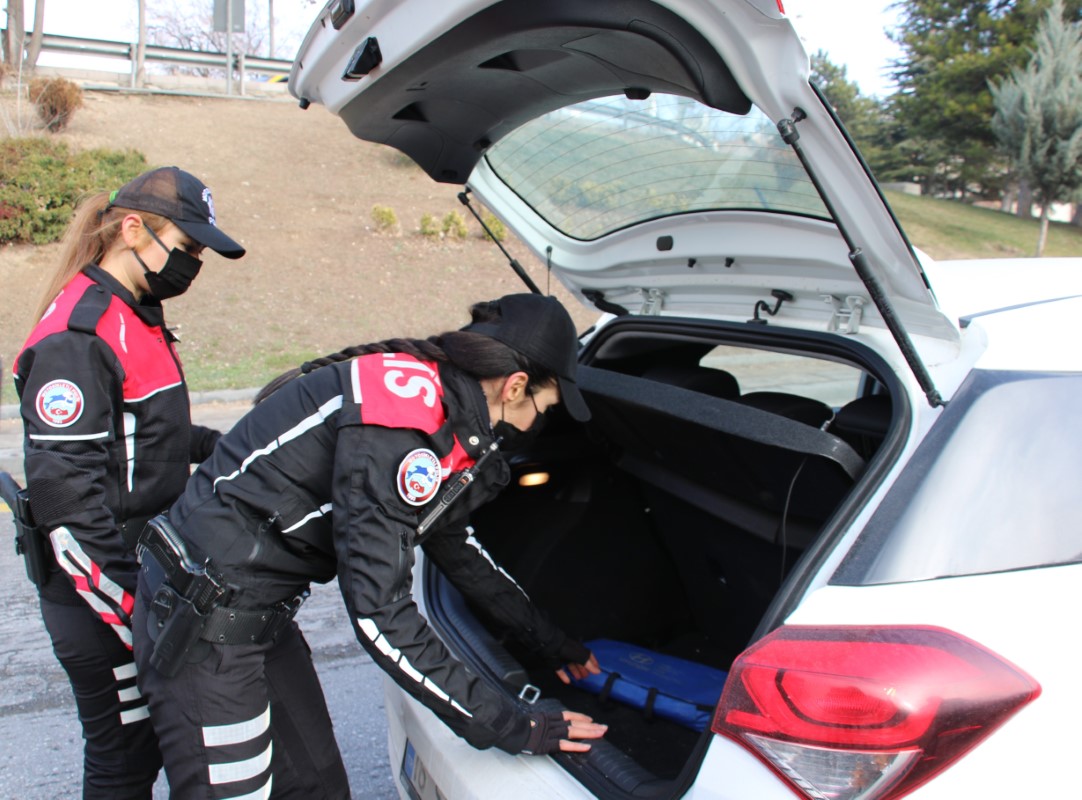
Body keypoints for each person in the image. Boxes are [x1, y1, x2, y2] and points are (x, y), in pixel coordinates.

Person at [132, 293, 607, 799]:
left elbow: (458, 551)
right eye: (544, 408)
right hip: (203, 626)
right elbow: (381, 614)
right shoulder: (402, 424)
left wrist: (555, 645)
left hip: (258, 618)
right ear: (515, 387)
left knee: (318, 786)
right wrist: (516, 725)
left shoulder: (443, 410)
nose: (537, 425)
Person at [11, 166, 246, 798]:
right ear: (133, 228)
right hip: (102, 597)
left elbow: (152, 437)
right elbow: (67, 504)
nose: (192, 263)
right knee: (122, 767)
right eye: (188, 246)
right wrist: (141, 616)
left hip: (145, 576)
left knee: (150, 758)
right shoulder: (77, 339)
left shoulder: (136, 313)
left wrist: (235, 450)